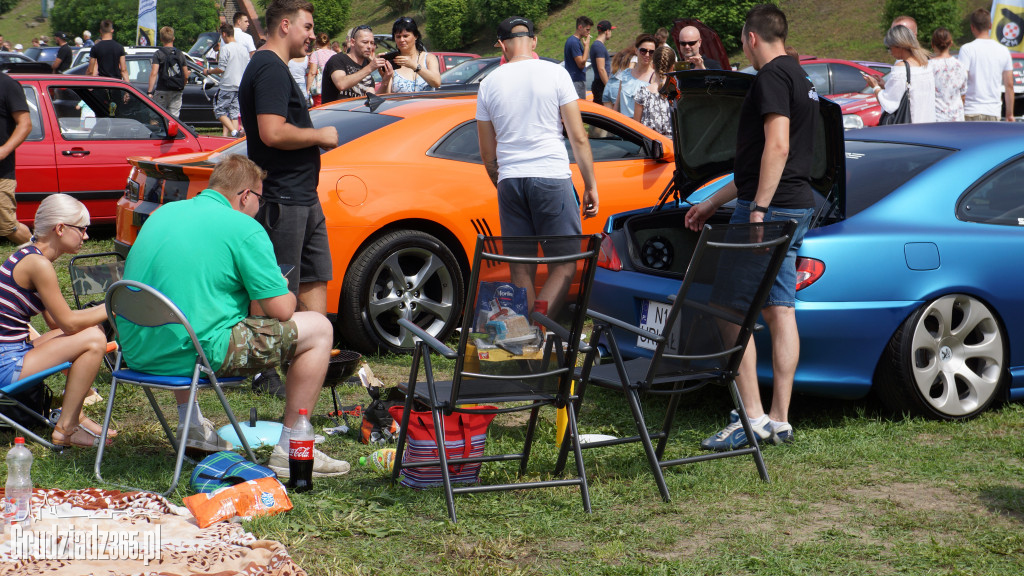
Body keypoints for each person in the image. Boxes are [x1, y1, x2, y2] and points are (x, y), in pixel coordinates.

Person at [121, 154, 348, 475]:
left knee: (190, 317)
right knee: (320, 328)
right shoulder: (243, 226)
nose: (259, 207)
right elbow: (281, 310)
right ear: (246, 195)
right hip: (197, 355)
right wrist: (280, 286)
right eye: (260, 198)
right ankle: (293, 443)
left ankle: (193, 426)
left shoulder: (164, 213)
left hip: (139, 351)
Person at [685, 4, 819, 450]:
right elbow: (759, 163)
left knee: (728, 312)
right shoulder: (801, 78)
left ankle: (752, 417)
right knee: (780, 310)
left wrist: (757, 210)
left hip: (771, 209)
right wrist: (711, 202)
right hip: (797, 206)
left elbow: (777, 148)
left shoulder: (771, 78)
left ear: (750, 39)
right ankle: (780, 418)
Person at [239, 0, 338, 397]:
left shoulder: (274, 66)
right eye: (308, 26)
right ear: (285, 25)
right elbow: (272, 132)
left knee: (315, 274)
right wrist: (320, 135)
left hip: (302, 195)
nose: (312, 35)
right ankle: (262, 370)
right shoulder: (268, 68)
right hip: (282, 197)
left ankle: (318, 354)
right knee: (273, 287)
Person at [476, 16, 598, 314]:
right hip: (550, 176)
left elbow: (487, 154)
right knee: (566, 263)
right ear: (534, 41)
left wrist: (503, 181)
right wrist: (591, 185)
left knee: (520, 268)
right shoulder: (555, 74)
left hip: (510, 180)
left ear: (502, 45)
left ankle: (529, 341)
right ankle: (540, 324)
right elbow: (579, 137)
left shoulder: (488, 83)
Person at [3, 195, 115, 448]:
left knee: (92, 331)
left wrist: (99, 314)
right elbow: (69, 325)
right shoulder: (38, 264)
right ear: (61, 228)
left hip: (12, 353)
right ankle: (67, 429)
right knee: (94, 339)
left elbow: (56, 323)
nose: (86, 236)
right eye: (82, 229)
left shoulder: (31, 257)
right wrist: (113, 306)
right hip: (6, 363)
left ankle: (77, 417)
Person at [864, 25, 934, 124]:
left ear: (899, 45)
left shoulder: (902, 68)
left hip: (910, 128)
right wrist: (884, 85)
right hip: (928, 123)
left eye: (890, 48)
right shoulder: (926, 63)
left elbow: (889, 104)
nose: (890, 52)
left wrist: (875, 86)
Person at [959, 9, 1014, 122]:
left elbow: (961, 80)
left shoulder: (967, 49)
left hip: (971, 110)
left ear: (972, 27)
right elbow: (1009, 85)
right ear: (990, 25)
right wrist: (1009, 114)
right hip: (993, 111)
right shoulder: (1003, 50)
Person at [322, 25, 391, 103]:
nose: (369, 46)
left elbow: (372, 101)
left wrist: (385, 80)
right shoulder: (337, 59)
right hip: (335, 113)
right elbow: (341, 84)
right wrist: (370, 67)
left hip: (356, 114)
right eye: (365, 42)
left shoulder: (366, 68)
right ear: (352, 42)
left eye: (372, 43)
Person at [0, 70, 31, 245]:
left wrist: (4, 150)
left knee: (6, 225)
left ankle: (36, 252)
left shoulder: (7, 85)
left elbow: (25, 124)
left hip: (1, 172)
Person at [205, 24, 250, 137]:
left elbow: (221, 68)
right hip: (240, 85)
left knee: (219, 110)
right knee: (234, 113)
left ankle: (234, 132)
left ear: (224, 34)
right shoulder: (244, 49)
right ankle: (235, 137)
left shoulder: (226, 49)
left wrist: (209, 71)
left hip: (228, 85)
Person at [605, 34, 658, 119]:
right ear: (636, 51)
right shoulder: (625, 74)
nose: (647, 55)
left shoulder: (655, 77)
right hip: (623, 126)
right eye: (643, 51)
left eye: (651, 52)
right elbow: (617, 104)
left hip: (640, 129)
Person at [383, 17, 440, 93]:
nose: (402, 40)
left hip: (427, 104)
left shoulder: (429, 58)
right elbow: (388, 96)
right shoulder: (393, 61)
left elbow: (436, 83)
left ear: (416, 36)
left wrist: (414, 66)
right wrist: (385, 77)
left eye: (405, 36)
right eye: (398, 37)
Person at [633, 45, 677, 136]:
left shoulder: (643, 93)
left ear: (653, 66)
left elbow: (636, 128)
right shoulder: (679, 93)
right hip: (673, 147)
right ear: (672, 67)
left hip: (650, 147)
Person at [147, 26, 190, 118]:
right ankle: (172, 132)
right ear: (173, 38)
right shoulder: (180, 54)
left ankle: (159, 132)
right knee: (174, 117)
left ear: (161, 39)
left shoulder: (158, 54)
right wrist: (182, 85)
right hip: (177, 90)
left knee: (158, 116)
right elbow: (186, 75)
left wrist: (150, 92)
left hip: (162, 89)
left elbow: (154, 73)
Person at [930, 27, 967, 122]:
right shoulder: (960, 65)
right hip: (956, 117)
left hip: (936, 116)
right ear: (951, 43)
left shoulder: (928, 66)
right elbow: (963, 94)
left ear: (932, 44)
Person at [563, 16, 593, 99]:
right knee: (580, 108)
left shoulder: (574, 41)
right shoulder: (574, 42)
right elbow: (581, 64)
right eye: (587, 30)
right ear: (580, 27)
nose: (589, 32)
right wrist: (587, 46)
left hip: (575, 80)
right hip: (576, 81)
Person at [590, 20, 614, 106]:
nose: (611, 33)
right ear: (607, 31)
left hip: (601, 84)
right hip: (601, 85)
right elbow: (601, 69)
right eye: (611, 30)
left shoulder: (598, 46)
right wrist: (608, 87)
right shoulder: (598, 46)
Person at [309, 33, 334, 107]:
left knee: (319, 109)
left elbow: (312, 72)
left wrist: (307, 89)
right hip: (332, 87)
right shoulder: (334, 54)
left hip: (320, 88)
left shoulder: (315, 54)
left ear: (316, 42)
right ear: (328, 42)